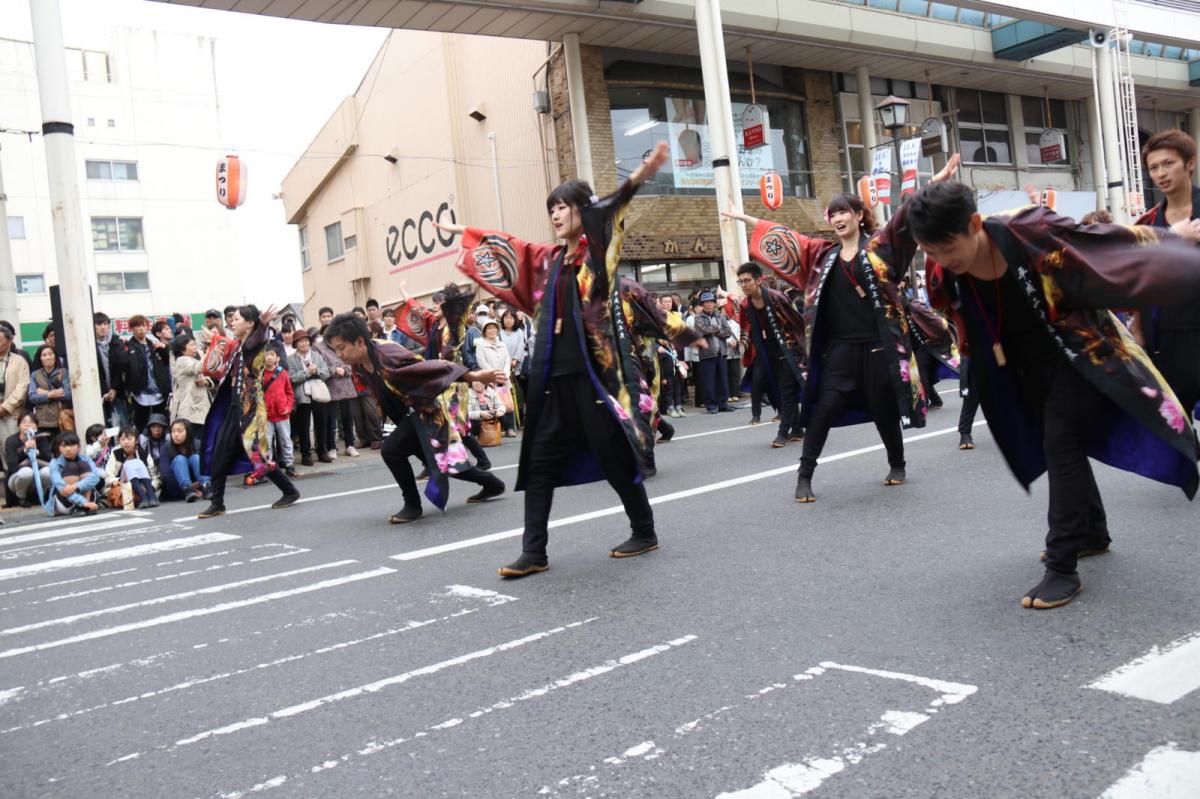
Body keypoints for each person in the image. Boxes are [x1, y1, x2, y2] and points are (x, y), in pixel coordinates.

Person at [907, 166, 1200, 609]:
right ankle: (1092, 532)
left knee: (1060, 441)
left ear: (974, 224)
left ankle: (1062, 567)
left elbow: (1105, 244)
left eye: (947, 248)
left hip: (1077, 354)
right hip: (1019, 367)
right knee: (1058, 444)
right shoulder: (943, 266)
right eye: (931, 251)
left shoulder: (1030, 230)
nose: (943, 259)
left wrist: (1172, 238)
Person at [443, 140, 672, 577]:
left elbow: (610, 209)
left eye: (563, 206)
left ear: (584, 210)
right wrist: (467, 234)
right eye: (552, 208)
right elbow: (510, 246)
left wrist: (640, 176)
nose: (555, 214)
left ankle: (644, 530)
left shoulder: (597, 254)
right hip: (552, 380)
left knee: (614, 459)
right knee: (539, 464)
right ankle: (534, 552)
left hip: (592, 378)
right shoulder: (548, 260)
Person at [723, 161, 960, 502]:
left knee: (883, 410)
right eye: (832, 213)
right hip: (840, 350)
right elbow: (788, 237)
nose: (837, 218)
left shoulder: (880, 247)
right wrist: (746, 219)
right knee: (823, 408)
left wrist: (934, 182)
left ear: (859, 215)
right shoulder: (822, 255)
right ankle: (804, 476)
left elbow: (905, 217)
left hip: (878, 347)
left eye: (843, 212)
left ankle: (897, 464)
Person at [323, 312, 506, 523]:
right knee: (446, 464)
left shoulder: (388, 355)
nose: (339, 354)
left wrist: (473, 375)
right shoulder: (359, 363)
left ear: (359, 342)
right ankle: (492, 484)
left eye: (341, 348)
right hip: (407, 415)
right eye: (336, 349)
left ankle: (412, 505)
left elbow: (434, 367)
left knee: (391, 451)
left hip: (427, 411)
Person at [197, 305, 300, 519]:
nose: (232, 322)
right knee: (219, 454)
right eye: (231, 319)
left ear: (250, 323)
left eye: (237, 319)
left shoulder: (255, 344)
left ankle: (290, 491)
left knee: (259, 457)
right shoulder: (237, 345)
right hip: (234, 407)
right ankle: (217, 503)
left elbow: (258, 338)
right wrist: (214, 337)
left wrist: (263, 324)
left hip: (250, 408)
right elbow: (221, 355)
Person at [1134, 129, 1200, 420]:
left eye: (1168, 163)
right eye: (1153, 167)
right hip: (1163, 334)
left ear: (1190, 163)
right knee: (1174, 425)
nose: (1161, 173)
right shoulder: (1148, 222)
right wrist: (1138, 329)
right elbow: (1140, 278)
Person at [398, 285, 495, 471]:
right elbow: (416, 307)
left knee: (456, 426)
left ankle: (479, 460)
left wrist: (475, 285)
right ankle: (432, 465)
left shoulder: (454, 324)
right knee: (437, 423)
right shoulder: (433, 323)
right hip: (436, 380)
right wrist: (404, 291)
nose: (434, 305)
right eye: (433, 302)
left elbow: (463, 309)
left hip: (454, 381)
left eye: (439, 302)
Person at [728, 262, 807, 447]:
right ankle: (797, 429)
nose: (744, 285)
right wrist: (745, 347)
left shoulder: (776, 297)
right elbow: (746, 328)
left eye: (747, 280)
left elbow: (797, 322)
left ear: (758, 280)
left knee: (786, 389)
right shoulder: (747, 303)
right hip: (765, 350)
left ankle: (783, 432)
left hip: (787, 348)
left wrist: (805, 348)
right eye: (741, 281)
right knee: (778, 388)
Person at [311, 325, 359, 458]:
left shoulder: (343, 342)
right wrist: (334, 370)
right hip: (330, 385)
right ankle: (331, 447)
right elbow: (318, 366)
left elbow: (352, 360)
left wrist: (345, 369)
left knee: (348, 417)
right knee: (330, 419)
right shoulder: (317, 347)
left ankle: (350, 445)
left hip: (346, 384)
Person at [287, 328, 331, 466]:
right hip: (302, 396)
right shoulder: (291, 359)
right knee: (303, 427)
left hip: (318, 394)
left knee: (321, 424)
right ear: (295, 344)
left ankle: (322, 451)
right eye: (300, 341)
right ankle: (305, 454)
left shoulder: (317, 356)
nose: (304, 343)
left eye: (306, 340)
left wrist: (316, 371)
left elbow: (326, 373)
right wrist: (307, 373)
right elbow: (291, 378)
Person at [124, 315, 171, 432]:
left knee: (163, 424)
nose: (141, 329)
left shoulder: (154, 345)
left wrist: (164, 348)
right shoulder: (128, 347)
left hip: (159, 391)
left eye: (143, 325)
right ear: (131, 329)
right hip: (140, 393)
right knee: (142, 426)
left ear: (147, 327)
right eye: (137, 326)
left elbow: (169, 361)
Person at [692, 291, 736, 414]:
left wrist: (715, 330)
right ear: (702, 304)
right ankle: (711, 405)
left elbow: (728, 332)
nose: (709, 304)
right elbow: (703, 331)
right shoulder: (698, 317)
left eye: (711, 302)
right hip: (707, 354)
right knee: (709, 381)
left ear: (714, 303)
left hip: (721, 352)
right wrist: (718, 329)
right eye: (706, 302)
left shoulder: (720, 316)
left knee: (723, 380)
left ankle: (723, 404)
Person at [168, 334, 213, 448]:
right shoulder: (182, 361)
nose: (195, 348)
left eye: (195, 345)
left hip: (200, 410)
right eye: (192, 345)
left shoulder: (193, 360)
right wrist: (210, 349)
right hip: (191, 411)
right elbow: (200, 367)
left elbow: (207, 377)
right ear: (182, 348)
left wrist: (206, 382)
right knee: (195, 444)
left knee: (201, 443)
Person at [474, 319, 516, 436]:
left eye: (494, 328)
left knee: (507, 402)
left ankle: (509, 428)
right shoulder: (481, 345)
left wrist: (505, 373)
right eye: (489, 328)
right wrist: (494, 374)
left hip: (503, 378)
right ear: (484, 331)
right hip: (490, 379)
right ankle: (497, 428)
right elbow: (481, 361)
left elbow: (507, 360)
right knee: (493, 402)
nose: (492, 330)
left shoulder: (502, 344)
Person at [50, 430, 106, 515]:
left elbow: (95, 477)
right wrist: (82, 502)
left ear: (79, 446)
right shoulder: (54, 463)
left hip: (87, 499)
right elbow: (63, 490)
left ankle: (84, 507)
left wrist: (75, 486)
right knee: (71, 466)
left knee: (83, 465)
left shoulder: (86, 459)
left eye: (71, 445)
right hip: (65, 502)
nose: (68, 449)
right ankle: (79, 506)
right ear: (59, 448)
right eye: (64, 446)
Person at [105, 424, 159, 508]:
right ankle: (144, 498)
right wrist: (116, 481)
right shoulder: (115, 453)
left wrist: (152, 487)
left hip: (143, 485)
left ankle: (151, 496)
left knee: (138, 462)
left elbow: (155, 477)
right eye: (122, 439)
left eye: (129, 439)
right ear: (119, 441)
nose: (126, 442)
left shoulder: (143, 454)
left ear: (137, 440)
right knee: (130, 463)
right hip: (123, 484)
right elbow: (108, 476)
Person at [262, 347, 296, 477]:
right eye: (266, 355)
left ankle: (289, 464)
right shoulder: (260, 374)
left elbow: (289, 392)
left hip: (282, 414)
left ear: (277, 358)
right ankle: (269, 466)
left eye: (272, 354)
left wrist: (288, 407)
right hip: (266, 415)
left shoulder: (282, 373)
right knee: (267, 442)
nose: (269, 357)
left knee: (286, 440)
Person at [5, 413, 51, 507]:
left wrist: (37, 452)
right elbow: (12, 466)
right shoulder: (11, 440)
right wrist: (24, 451)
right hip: (17, 480)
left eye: (31, 422)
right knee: (27, 472)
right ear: (18, 426)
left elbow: (49, 457)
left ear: (36, 426)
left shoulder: (41, 438)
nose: (28, 425)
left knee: (47, 471)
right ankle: (21, 497)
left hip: (37, 478)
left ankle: (40, 495)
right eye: (24, 422)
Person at [28, 345, 72, 436]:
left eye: (50, 354)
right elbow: (32, 397)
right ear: (40, 358)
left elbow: (68, 394)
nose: (48, 357)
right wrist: (49, 395)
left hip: (60, 418)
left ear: (55, 356)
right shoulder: (35, 374)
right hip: (42, 420)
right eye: (44, 355)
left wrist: (45, 393)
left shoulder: (63, 372)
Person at [160, 419, 206, 502]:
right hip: (177, 487)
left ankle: (206, 486)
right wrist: (189, 487)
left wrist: (198, 484)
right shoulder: (166, 448)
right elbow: (166, 474)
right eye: (173, 431)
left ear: (188, 432)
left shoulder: (198, 444)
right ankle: (187, 489)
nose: (176, 434)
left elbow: (211, 465)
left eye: (179, 431)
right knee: (179, 459)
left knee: (195, 457)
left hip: (198, 484)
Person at [0, 325, 31, 449]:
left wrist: (4, 408)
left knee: (10, 449)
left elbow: (22, 388)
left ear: (9, 341)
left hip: (11, 414)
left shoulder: (19, 361)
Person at [499, 310, 528, 424]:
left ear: (515, 320)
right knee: (506, 394)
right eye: (506, 318)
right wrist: (507, 363)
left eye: (511, 318)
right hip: (503, 367)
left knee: (519, 393)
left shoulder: (519, 332)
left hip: (517, 367)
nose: (508, 320)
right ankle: (510, 421)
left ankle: (520, 417)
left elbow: (521, 346)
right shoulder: (499, 332)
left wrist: (515, 359)